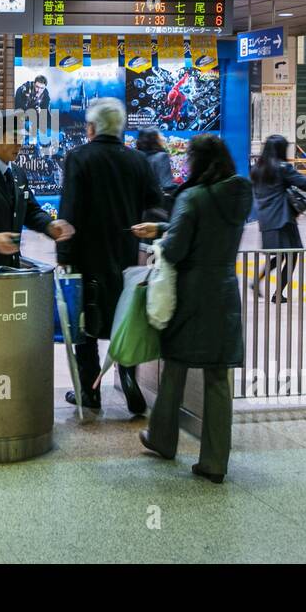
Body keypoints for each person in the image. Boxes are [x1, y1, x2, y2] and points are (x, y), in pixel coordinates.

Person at [132, 134, 253, 484]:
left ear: (199, 161)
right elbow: (208, 230)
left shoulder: (192, 197)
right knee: (218, 377)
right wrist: (165, 226)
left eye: (189, 158)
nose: (185, 164)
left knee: (175, 367)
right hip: (224, 292)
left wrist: (161, 238)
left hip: (191, 294)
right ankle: (215, 461)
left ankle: (162, 439)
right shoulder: (239, 194)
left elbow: (176, 250)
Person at [56, 99, 163, 413]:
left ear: (91, 128)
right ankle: (128, 380)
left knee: (86, 322)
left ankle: (90, 392)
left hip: (87, 255)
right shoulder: (137, 161)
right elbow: (156, 203)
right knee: (123, 317)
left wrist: (64, 253)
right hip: (126, 254)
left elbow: (69, 210)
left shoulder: (79, 158)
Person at [0, 115, 74, 270]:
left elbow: (31, 211)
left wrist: (49, 225)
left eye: (22, 137)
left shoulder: (18, 173)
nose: (19, 144)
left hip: (11, 270)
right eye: (14, 137)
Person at [250, 134, 306, 302]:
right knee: (292, 255)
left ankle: (257, 281)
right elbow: (304, 183)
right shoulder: (282, 167)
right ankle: (278, 294)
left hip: (266, 220)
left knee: (280, 254)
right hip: (283, 219)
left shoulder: (257, 169)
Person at [137, 128, 176, 196]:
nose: (163, 137)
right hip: (156, 201)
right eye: (160, 136)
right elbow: (167, 185)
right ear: (154, 140)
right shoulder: (161, 157)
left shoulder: (137, 156)